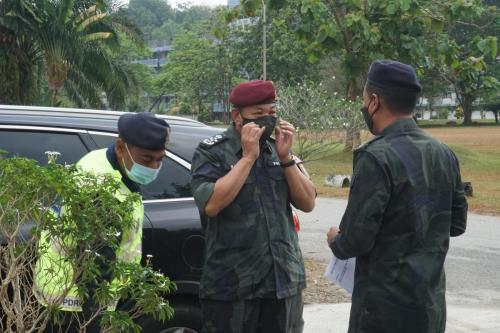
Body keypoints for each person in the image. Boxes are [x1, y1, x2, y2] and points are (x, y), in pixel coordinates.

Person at [326, 60, 468, 333]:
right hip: (429, 307)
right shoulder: (444, 153)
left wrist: (335, 239)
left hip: (383, 311)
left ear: (375, 102)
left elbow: (354, 241)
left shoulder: (375, 157)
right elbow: (457, 225)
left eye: (365, 98)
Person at [191, 80, 316, 333]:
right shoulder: (212, 152)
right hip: (233, 287)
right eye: (258, 115)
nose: (267, 121)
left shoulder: (278, 150)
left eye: (272, 113)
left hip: (283, 282)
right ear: (237, 115)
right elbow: (212, 205)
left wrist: (286, 158)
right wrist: (248, 157)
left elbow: (308, 202)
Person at [35, 112, 170, 332]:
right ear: (120, 147)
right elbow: (96, 266)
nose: (154, 167)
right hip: (76, 301)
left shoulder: (103, 159)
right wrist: (96, 319)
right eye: (147, 159)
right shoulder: (99, 192)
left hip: (75, 294)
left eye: (160, 159)